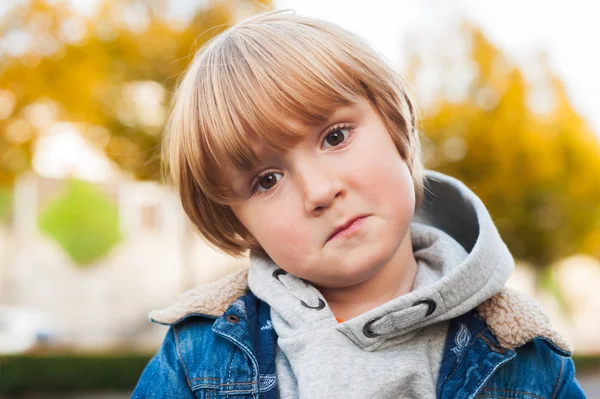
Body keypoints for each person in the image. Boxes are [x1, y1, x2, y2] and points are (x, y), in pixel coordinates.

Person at [132, 10, 585, 399]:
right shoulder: (195, 359)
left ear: (395, 126)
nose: (319, 192)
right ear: (237, 221)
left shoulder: (527, 358)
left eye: (335, 137)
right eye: (267, 181)